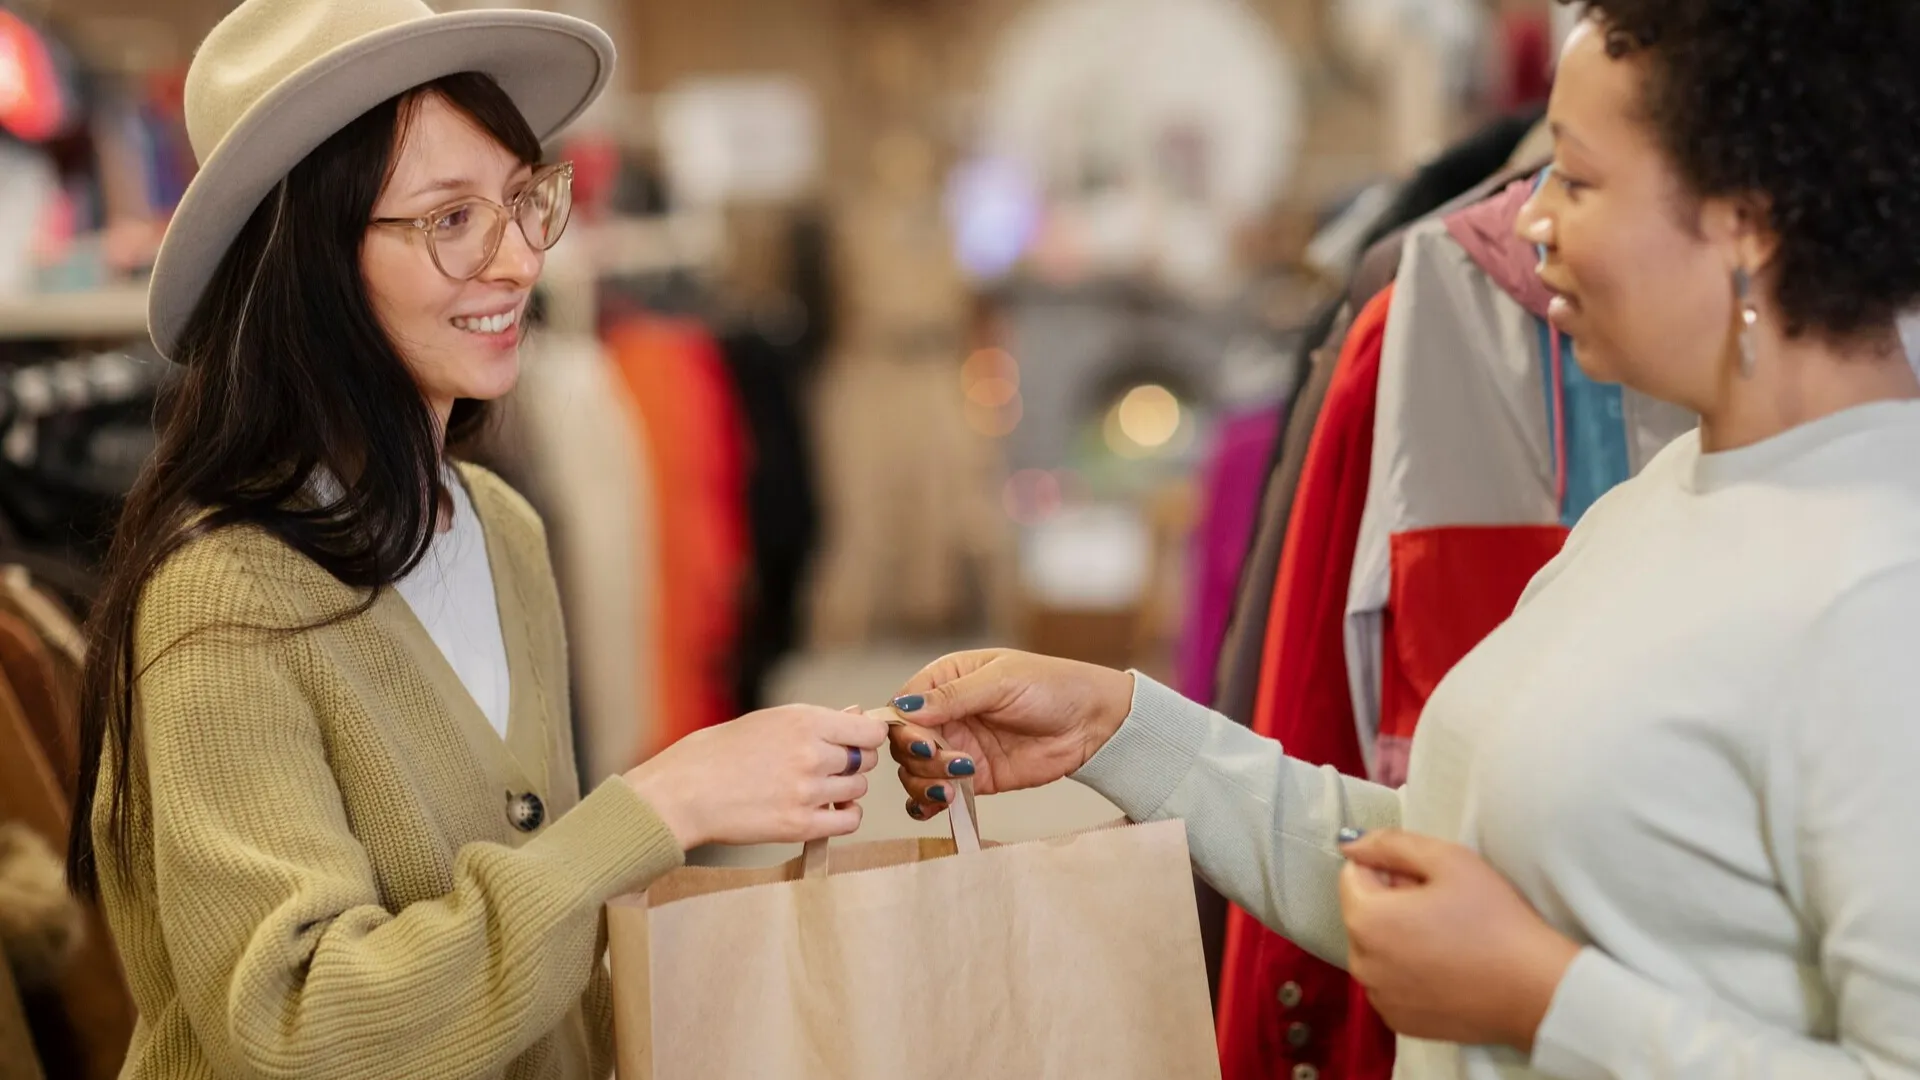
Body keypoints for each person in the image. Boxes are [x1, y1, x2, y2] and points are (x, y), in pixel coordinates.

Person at [888, 3, 1920, 1077]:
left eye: (1574, 177)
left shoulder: (1882, 589)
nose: (1526, 222)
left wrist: (1541, 1001)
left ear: (1747, 220)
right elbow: (1437, 869)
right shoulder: (1664, 501)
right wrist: (1119, 732)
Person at [64, 1, 887, 1077]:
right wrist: (661, 804)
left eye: (519, 202)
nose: (515, 265)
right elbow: (296, 1029)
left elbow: (541, 950)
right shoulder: (224, 599)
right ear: (309, 261)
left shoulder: (498, 527)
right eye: (449, 221)